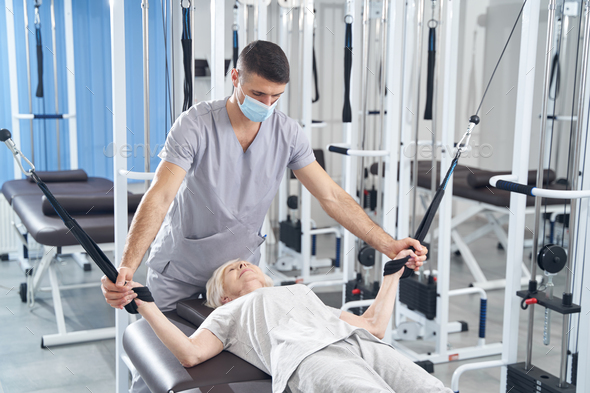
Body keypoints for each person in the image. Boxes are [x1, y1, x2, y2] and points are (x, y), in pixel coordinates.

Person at [101, 40, 427, 391]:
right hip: (180, 270)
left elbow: (330, 195)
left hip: (240, 276)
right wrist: (127, 269)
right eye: (258, 94)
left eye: (276, 97)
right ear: (235, 77)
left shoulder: (286, 133)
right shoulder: (195, 124)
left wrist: (389, 245)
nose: (267, 105)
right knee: (155, 373)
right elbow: (160, 195)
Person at [131, 253, 452, 393]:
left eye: (245, 262)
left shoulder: (299, 291)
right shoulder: (231, 311)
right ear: (224, 296)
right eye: (232, 270)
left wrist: (392, 276)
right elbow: (191, 353)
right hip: (308, 358)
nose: (243, 264)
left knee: (432, 388)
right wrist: (146, 306)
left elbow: (373, 325)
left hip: (360, 343)